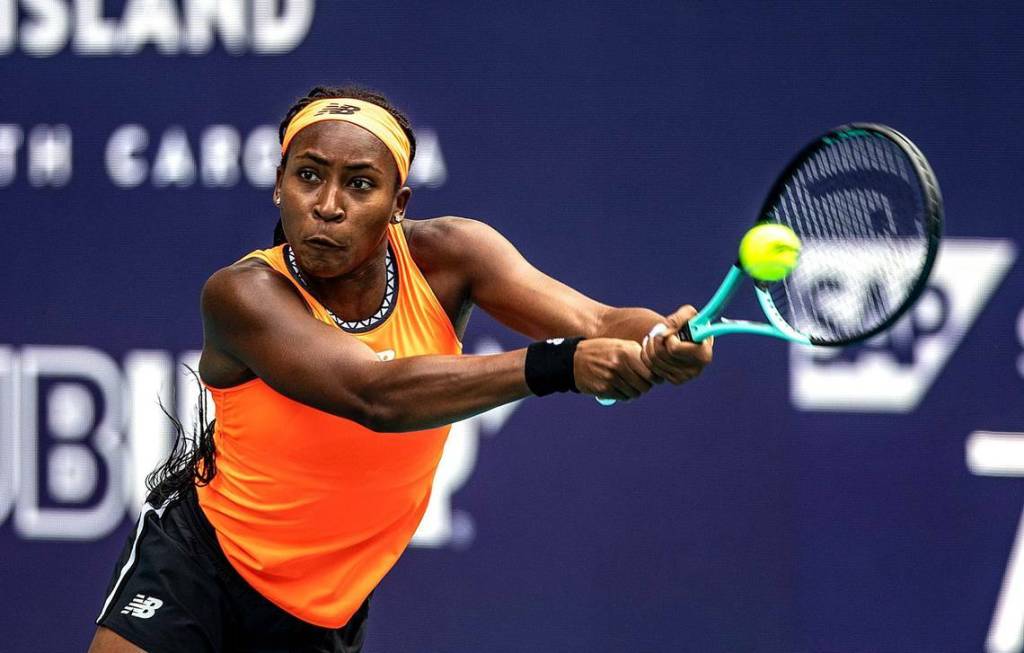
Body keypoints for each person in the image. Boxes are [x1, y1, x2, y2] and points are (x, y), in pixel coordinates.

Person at [88, 85, 713, 653]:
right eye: (308, 177)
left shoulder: (450, 256)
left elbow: (598, 321)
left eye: (360, 185)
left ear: (397, 203)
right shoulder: (243, 294)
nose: (328, 206)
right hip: (199, 565)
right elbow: (373, 395)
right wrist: (559, 365)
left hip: (323, 611)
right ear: (279, 185)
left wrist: (663, 338)